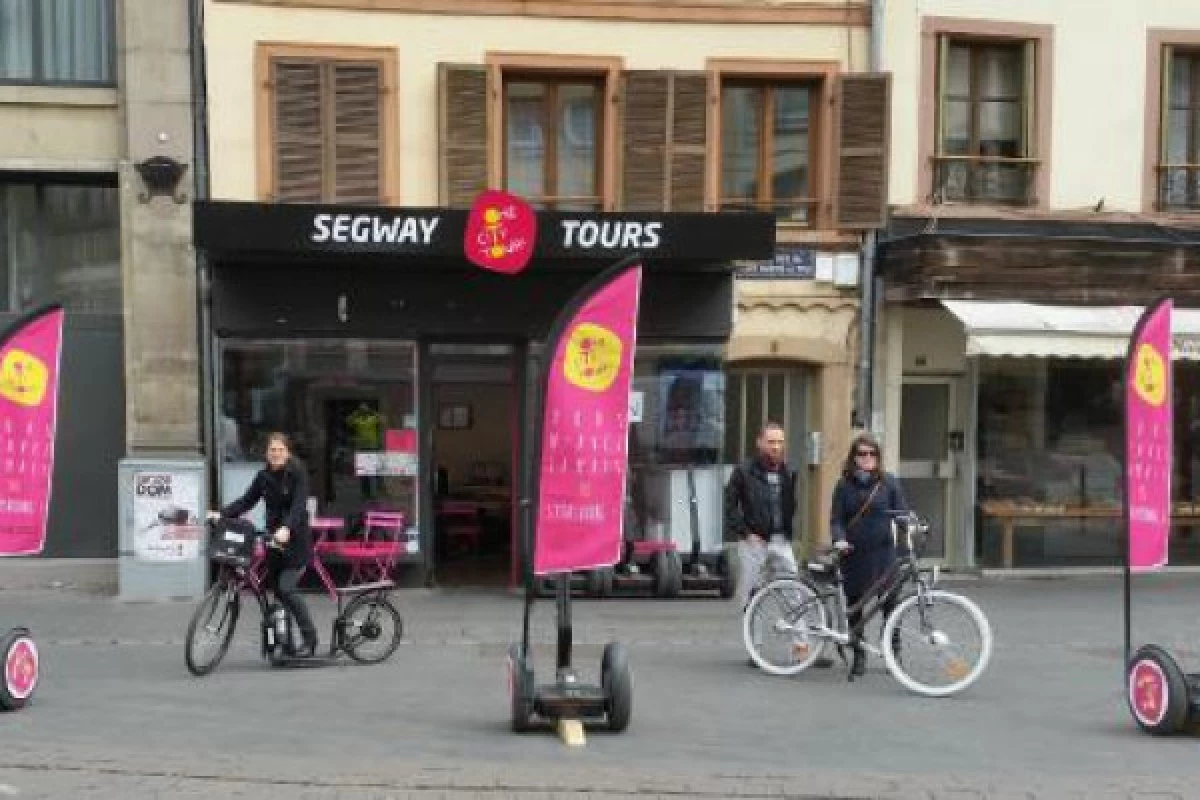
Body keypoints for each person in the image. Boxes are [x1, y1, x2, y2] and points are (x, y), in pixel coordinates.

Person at [209, 432, 318, 657]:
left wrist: (287, 528)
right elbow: (246, 501)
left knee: (287, 588)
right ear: (267, 453)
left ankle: (310, 639)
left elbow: (299, 505)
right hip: (273, 540)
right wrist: (220, 514)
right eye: (272, 450)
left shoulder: (297, 472)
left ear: (287, 452)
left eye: (280, 450)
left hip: (295, 541)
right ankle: (285, 641)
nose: (276, 454)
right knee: (277, 592)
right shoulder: (263, 476)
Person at [829, 432, 908, 678]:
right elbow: (837, 520)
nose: (867, 458)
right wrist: (839, 539)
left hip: (884, 553)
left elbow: (901, 513)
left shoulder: (889, 483)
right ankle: (859, 656)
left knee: (891, 606)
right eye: (862, 454)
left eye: (872, 453)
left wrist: (912, 527)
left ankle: (894, 654)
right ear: (853, 457)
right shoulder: (843, 486)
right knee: (855, 608)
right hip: (854, 555)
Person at [724, 422, 799, 611]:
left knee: (794, 592)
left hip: (781, 539)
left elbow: (790, 504)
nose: (776, 447)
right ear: (760, 443)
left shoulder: (788, 472)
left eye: (780, 442)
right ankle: (751, 637)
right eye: (771, 442)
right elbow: (729, 506)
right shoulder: (744, 471)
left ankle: (801, 638)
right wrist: (746, 533)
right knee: (750, 596)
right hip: (755, 541)